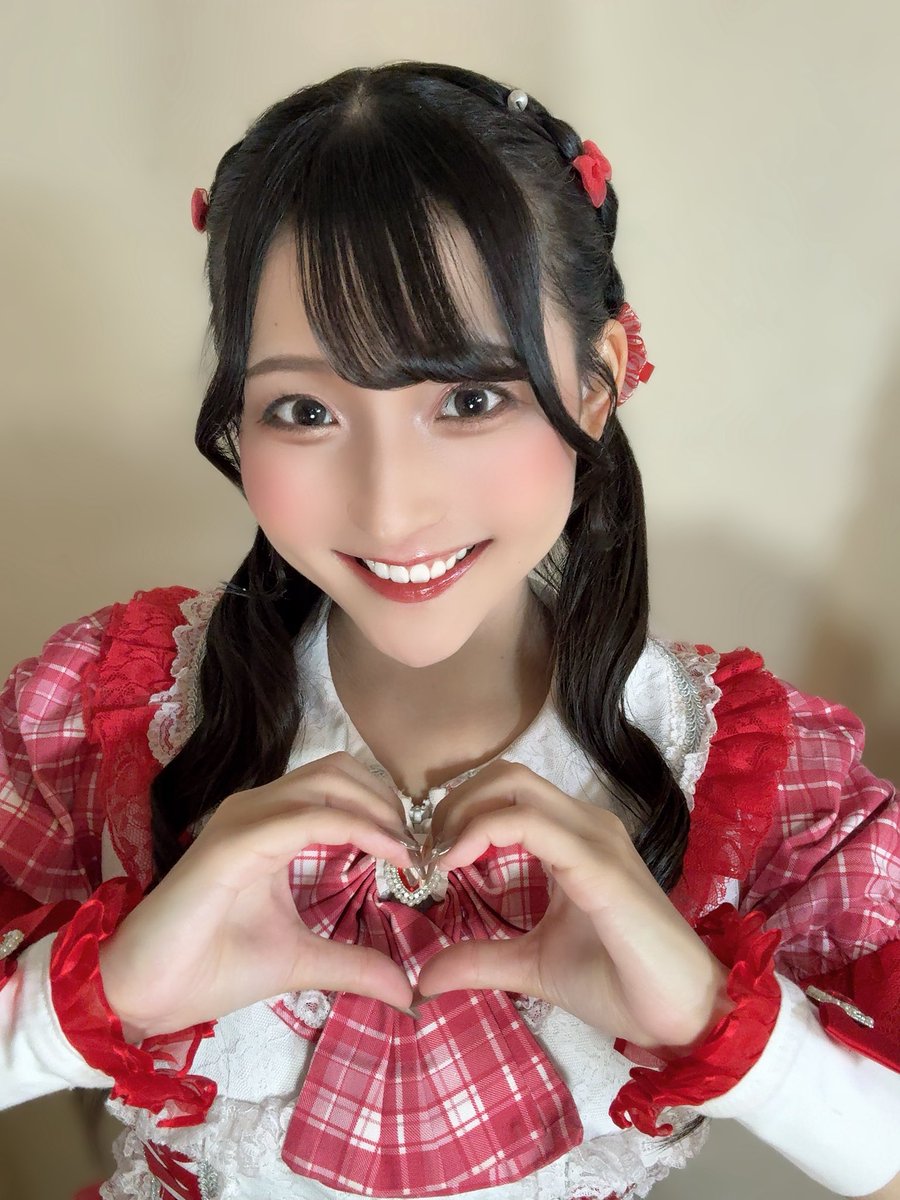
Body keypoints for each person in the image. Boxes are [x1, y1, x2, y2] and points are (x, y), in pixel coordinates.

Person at [1, 60, 897, 1200]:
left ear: (599, 381)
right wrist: (89, 1002)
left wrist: (723, 1026)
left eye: (468, 399)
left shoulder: (754, 784)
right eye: (304, 409)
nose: (390, 510)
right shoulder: (102, 721)